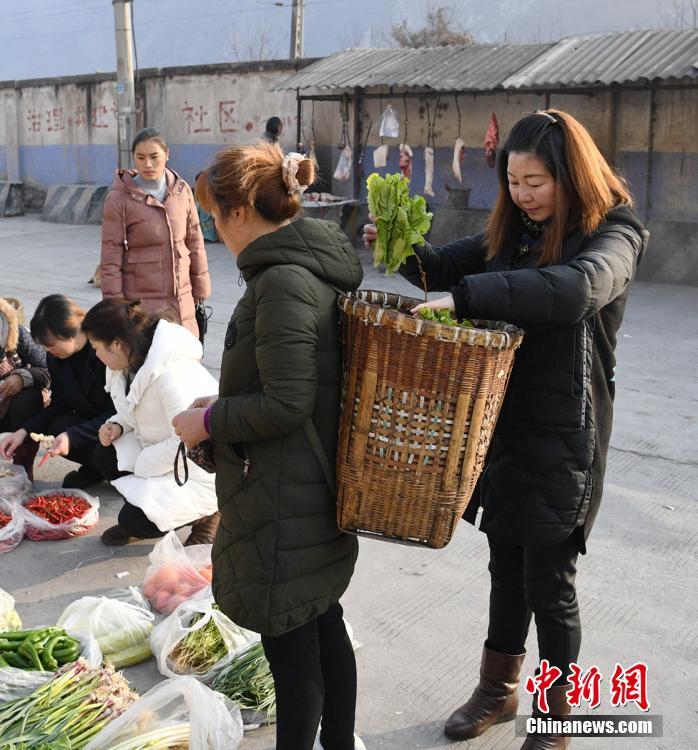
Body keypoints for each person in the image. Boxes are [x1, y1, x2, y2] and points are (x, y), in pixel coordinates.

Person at [364, 109, 649, 749]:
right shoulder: (515, 230)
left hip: (566, 432)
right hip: (503, 427)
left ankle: (556, 718)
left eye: (536, 182)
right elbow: (445, 269)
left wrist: (468, 298)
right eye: (513, 181)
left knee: (551, 583)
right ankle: (497, 691)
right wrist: (398, 244)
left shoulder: (616, 234)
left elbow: (573, 290)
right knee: (505, 566)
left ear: (573, 177)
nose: (521, 195)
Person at [172, 141, 365, 750]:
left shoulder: (282, 280)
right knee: (321, 620)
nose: (212, 230)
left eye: (211, 216)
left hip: (286, 492)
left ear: (236, 213)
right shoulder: (303, 270)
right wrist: (219, 406)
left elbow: (287, 403)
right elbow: (288, 384)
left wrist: (209, 423)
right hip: (306, 480)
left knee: (292, 650)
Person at [82, 299, 220, 547]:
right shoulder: (124, 364)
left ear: (116, 344)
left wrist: (141, 463)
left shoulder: (173, 375)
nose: (95, 354)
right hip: (159, 453)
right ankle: (145, 508)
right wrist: (117, 426)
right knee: (104, 454)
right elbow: (131, 410)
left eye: (95, 347)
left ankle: (209, 515)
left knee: (136, 521)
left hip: (197, 467)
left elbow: (187, 442)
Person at [100, 127, 212, 338]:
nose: (148, 164)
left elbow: (195, 242)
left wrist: (201, 287)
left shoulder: (182, 190)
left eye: (154, 156)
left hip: (182, 301)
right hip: (142, 306)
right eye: (140, 158)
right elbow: (110, 258)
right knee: (148, 366)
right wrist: (115, 307)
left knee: (183, 364)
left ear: (167, 154)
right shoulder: (119, 199)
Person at [0, 295, 114, 489]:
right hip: (93, 424)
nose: (47, 350)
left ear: (72, 332)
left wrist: (73, 436)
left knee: (89, 445)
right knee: (57, 426)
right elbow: (59, 404)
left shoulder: (105, 354)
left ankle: (121, 473)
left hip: (119, 427)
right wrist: (24, 431)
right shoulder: (57, 358)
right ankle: (95, 468)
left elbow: (120, 413)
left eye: (51, 344)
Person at [0, 297, 49, 480]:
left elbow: (48, 370)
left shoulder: (18, 335)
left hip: (12, 407)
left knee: (29, 397)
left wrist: (22, 378)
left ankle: (23, 465)